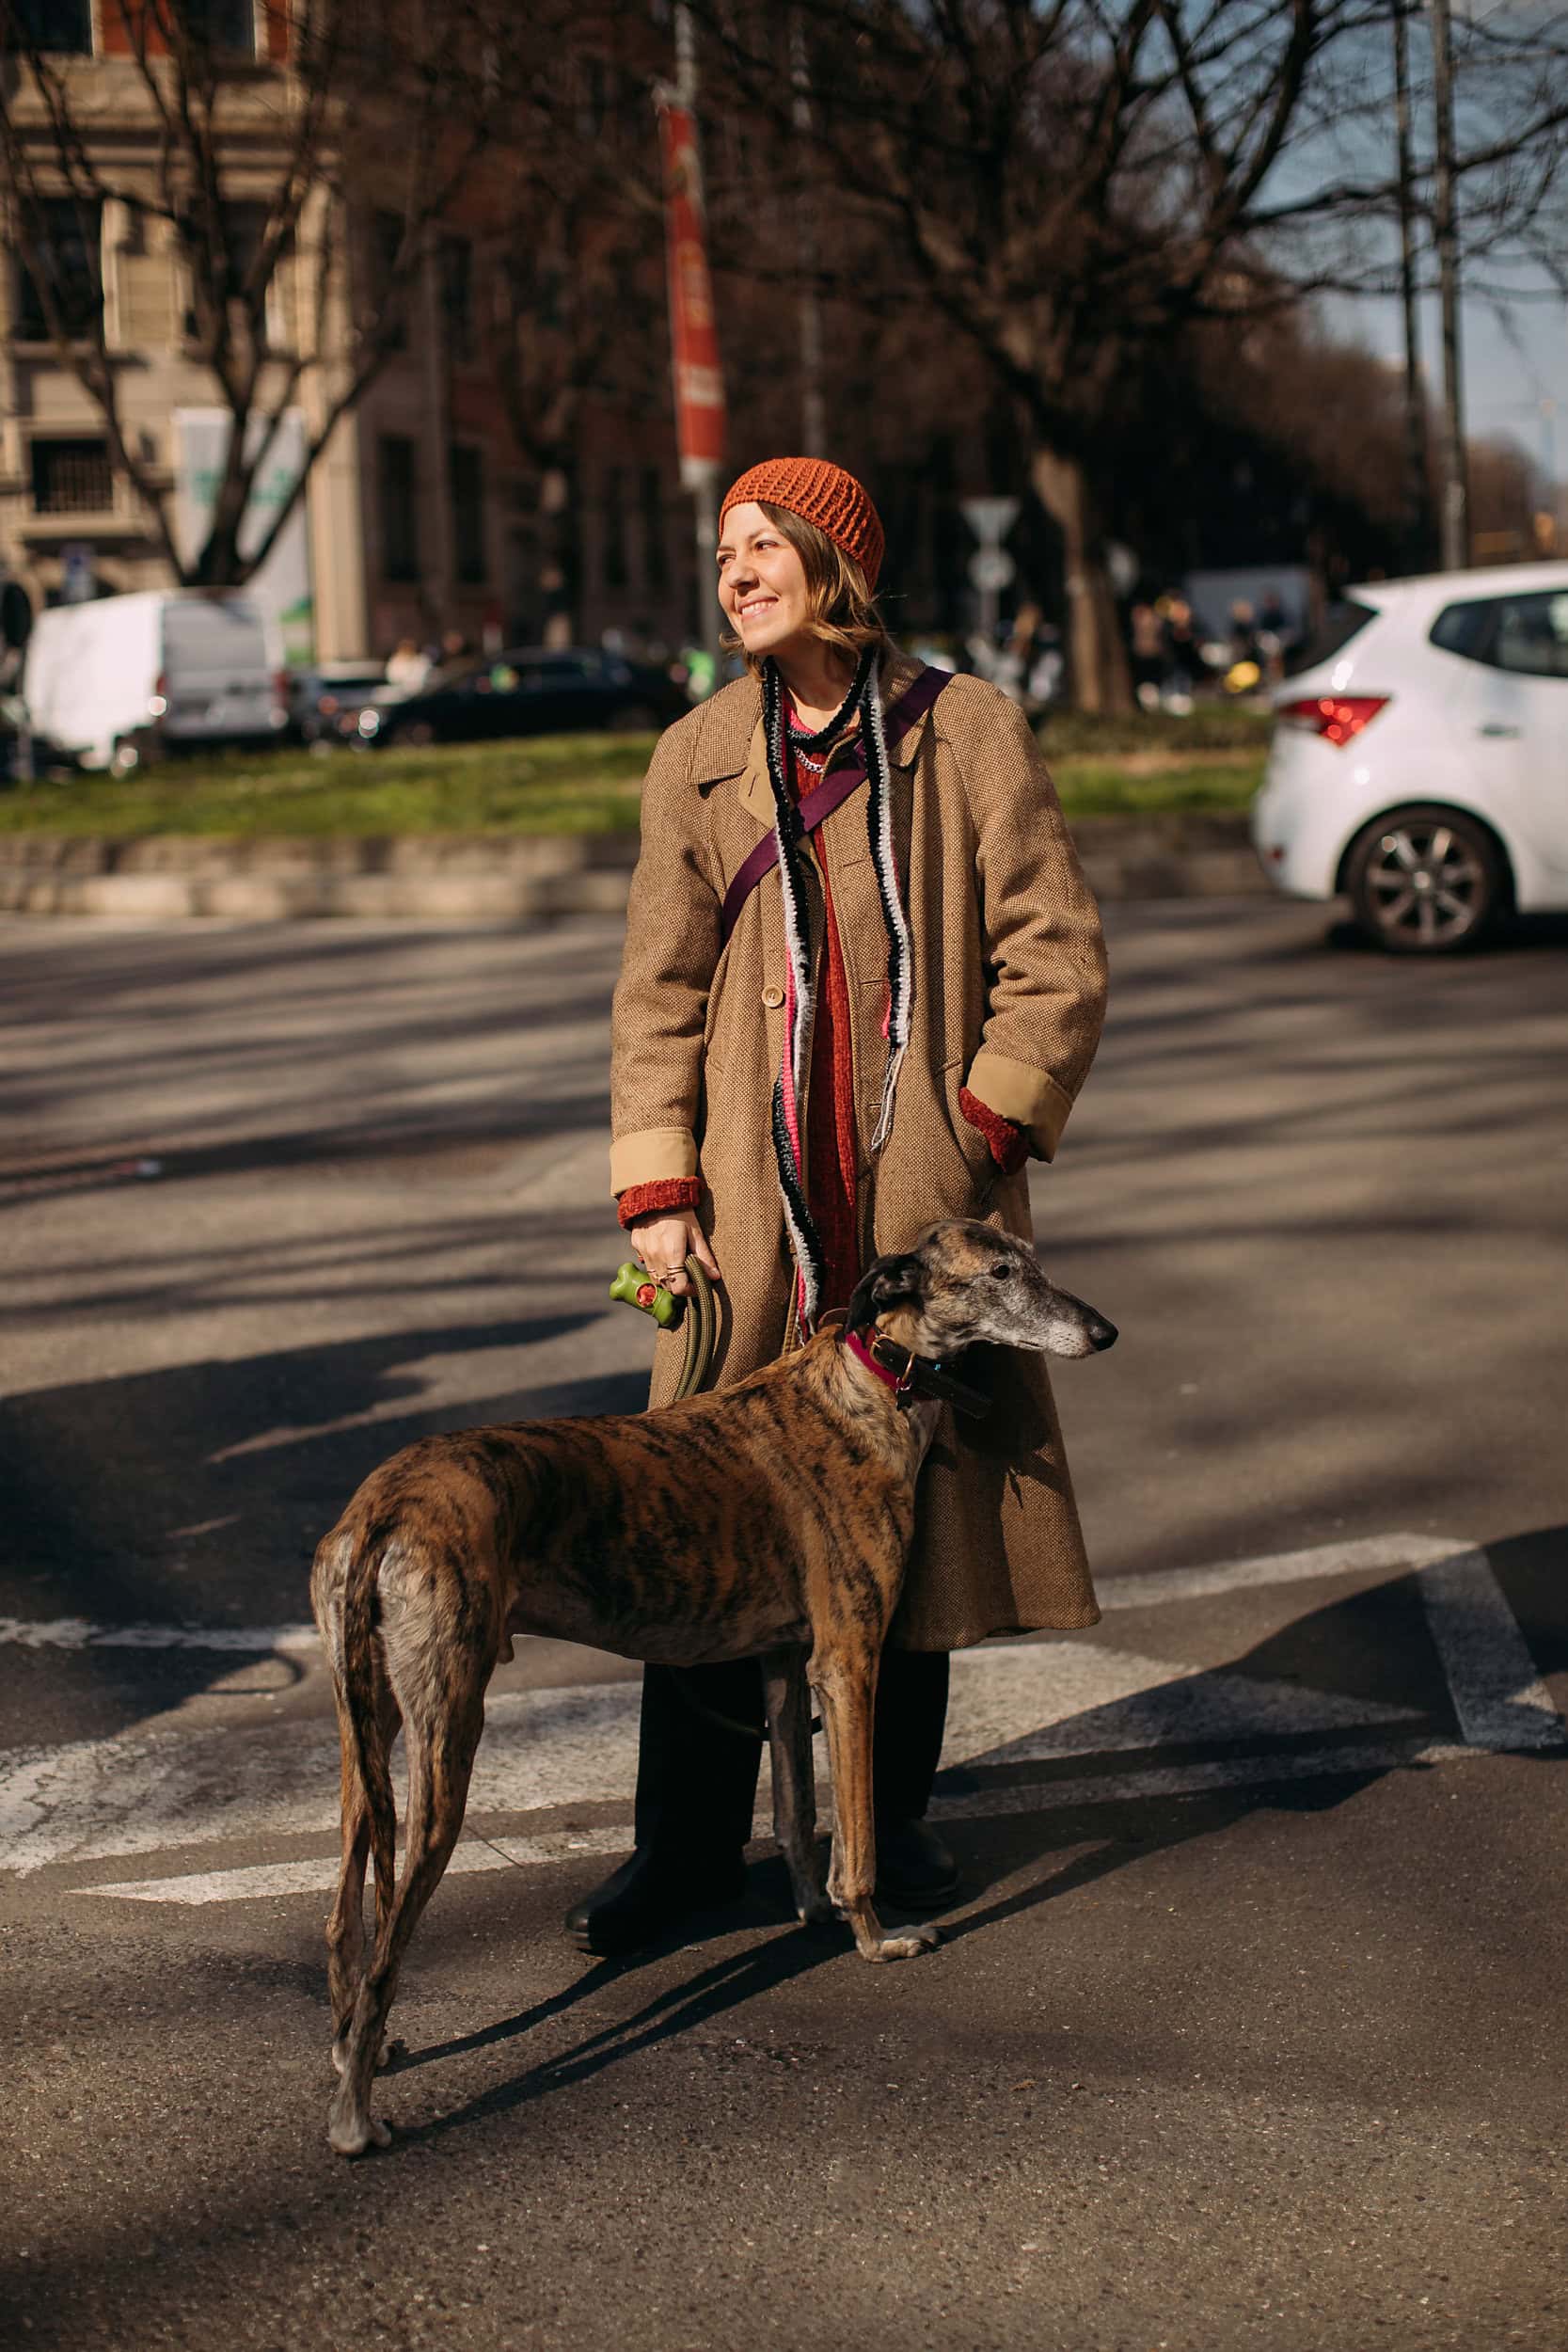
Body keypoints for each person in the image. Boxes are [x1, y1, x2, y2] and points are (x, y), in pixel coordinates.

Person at [569, 456, 1108, 1958]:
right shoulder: (694, 755)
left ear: (835, 563)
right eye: (724, 547)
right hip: (746, 1220)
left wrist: (980, 1120)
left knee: (905, 1524)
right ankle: (680, 1856)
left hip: (911, 1216)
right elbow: (657, 994)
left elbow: (1054, 950)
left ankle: (894, 1828)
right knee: (697, 1524)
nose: (735, 570)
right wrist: (655, 1189)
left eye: (764, 546)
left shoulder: (968, 732)